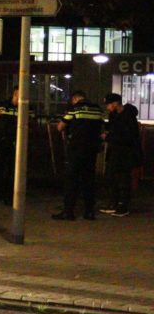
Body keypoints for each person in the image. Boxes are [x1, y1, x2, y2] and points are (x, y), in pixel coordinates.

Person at [52, 90, 107, 221]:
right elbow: (102, 125)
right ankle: (89, 212)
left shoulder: (74, 109)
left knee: (71, 180)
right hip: (92, 149)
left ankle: (68, 212)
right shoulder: (97, 109)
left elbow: (60, 127)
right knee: (89, 180)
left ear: (75, 99)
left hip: (76, 149)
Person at [101, 92, 142, 218]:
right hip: (116, 150)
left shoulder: (128, 116)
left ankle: (123, 206)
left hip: (126, 152)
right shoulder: (114, 115)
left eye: (108, 104)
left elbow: (127, 136)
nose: (107, 107)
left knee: (123, 178)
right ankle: (114, 203)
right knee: (112, 177)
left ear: (115, 103)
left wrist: (108, 136)